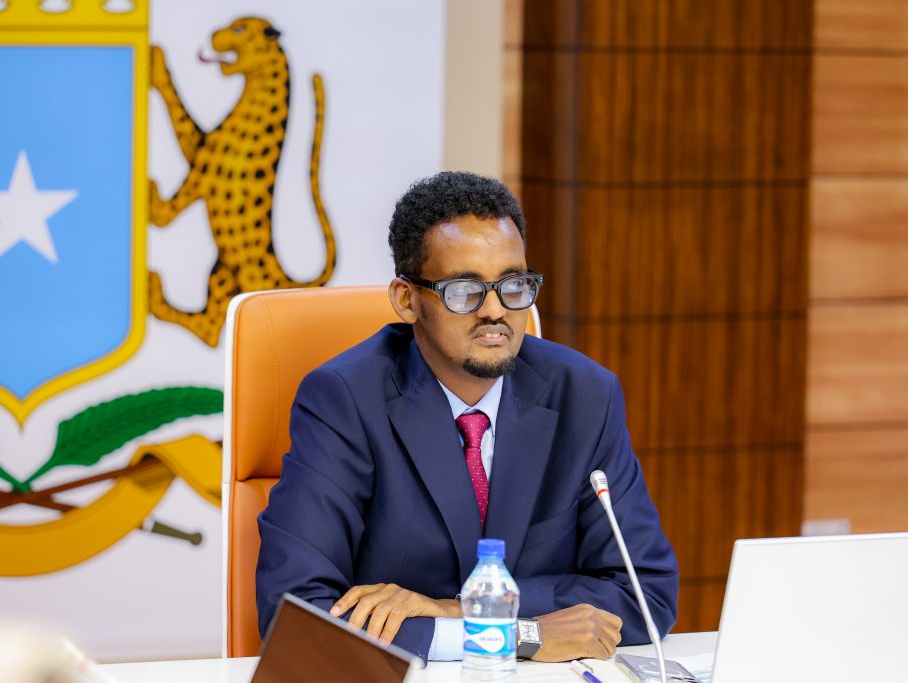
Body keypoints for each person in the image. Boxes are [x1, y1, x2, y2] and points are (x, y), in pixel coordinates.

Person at [256, 171, 678, 662]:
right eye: (464, 290)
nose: (495, 311)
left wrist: (457, 612)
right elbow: (295, 614)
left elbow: (646, 595)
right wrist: (519, 637)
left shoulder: (584, 395)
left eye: (513, 284)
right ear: (407, 300)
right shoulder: (345, 400)